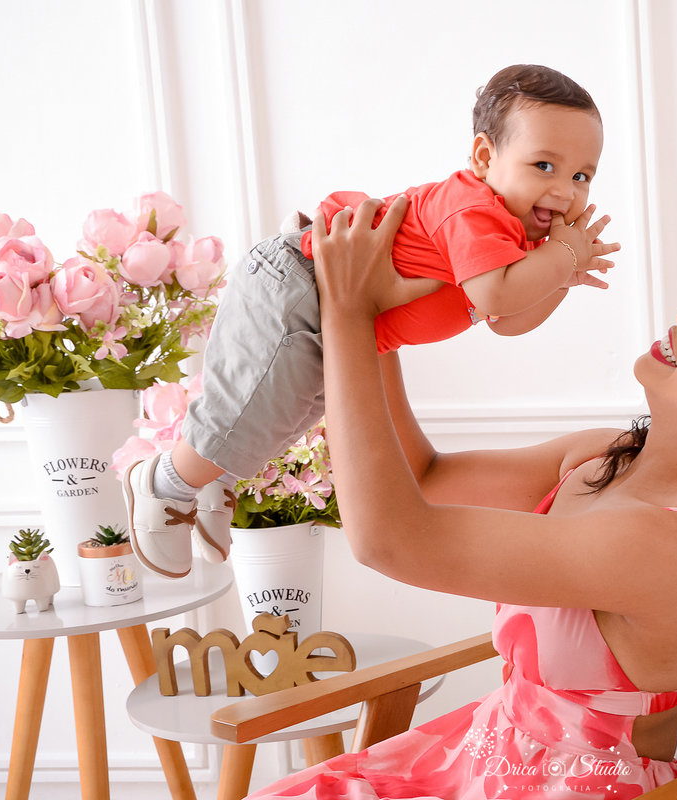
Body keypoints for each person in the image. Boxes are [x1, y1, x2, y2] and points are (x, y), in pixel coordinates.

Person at [245, 197, 677, 799]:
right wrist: (377, 314)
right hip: (484, 752)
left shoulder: (669, 542)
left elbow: (389, 540)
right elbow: (424, 479)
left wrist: (348, 313)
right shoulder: (606, 456)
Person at [122, 64, 618, 579]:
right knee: (254, 403)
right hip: (301, 285)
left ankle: (216, 477)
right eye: (544, 165)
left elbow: (506, 320)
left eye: (581, 176)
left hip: (343, 322)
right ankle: (163, 481)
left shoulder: (519, 241)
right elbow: (494, 295)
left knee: (289, 412)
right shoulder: (472, 208)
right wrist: (562, 255)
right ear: (485, 157)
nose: (565, 191)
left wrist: (561, 279)